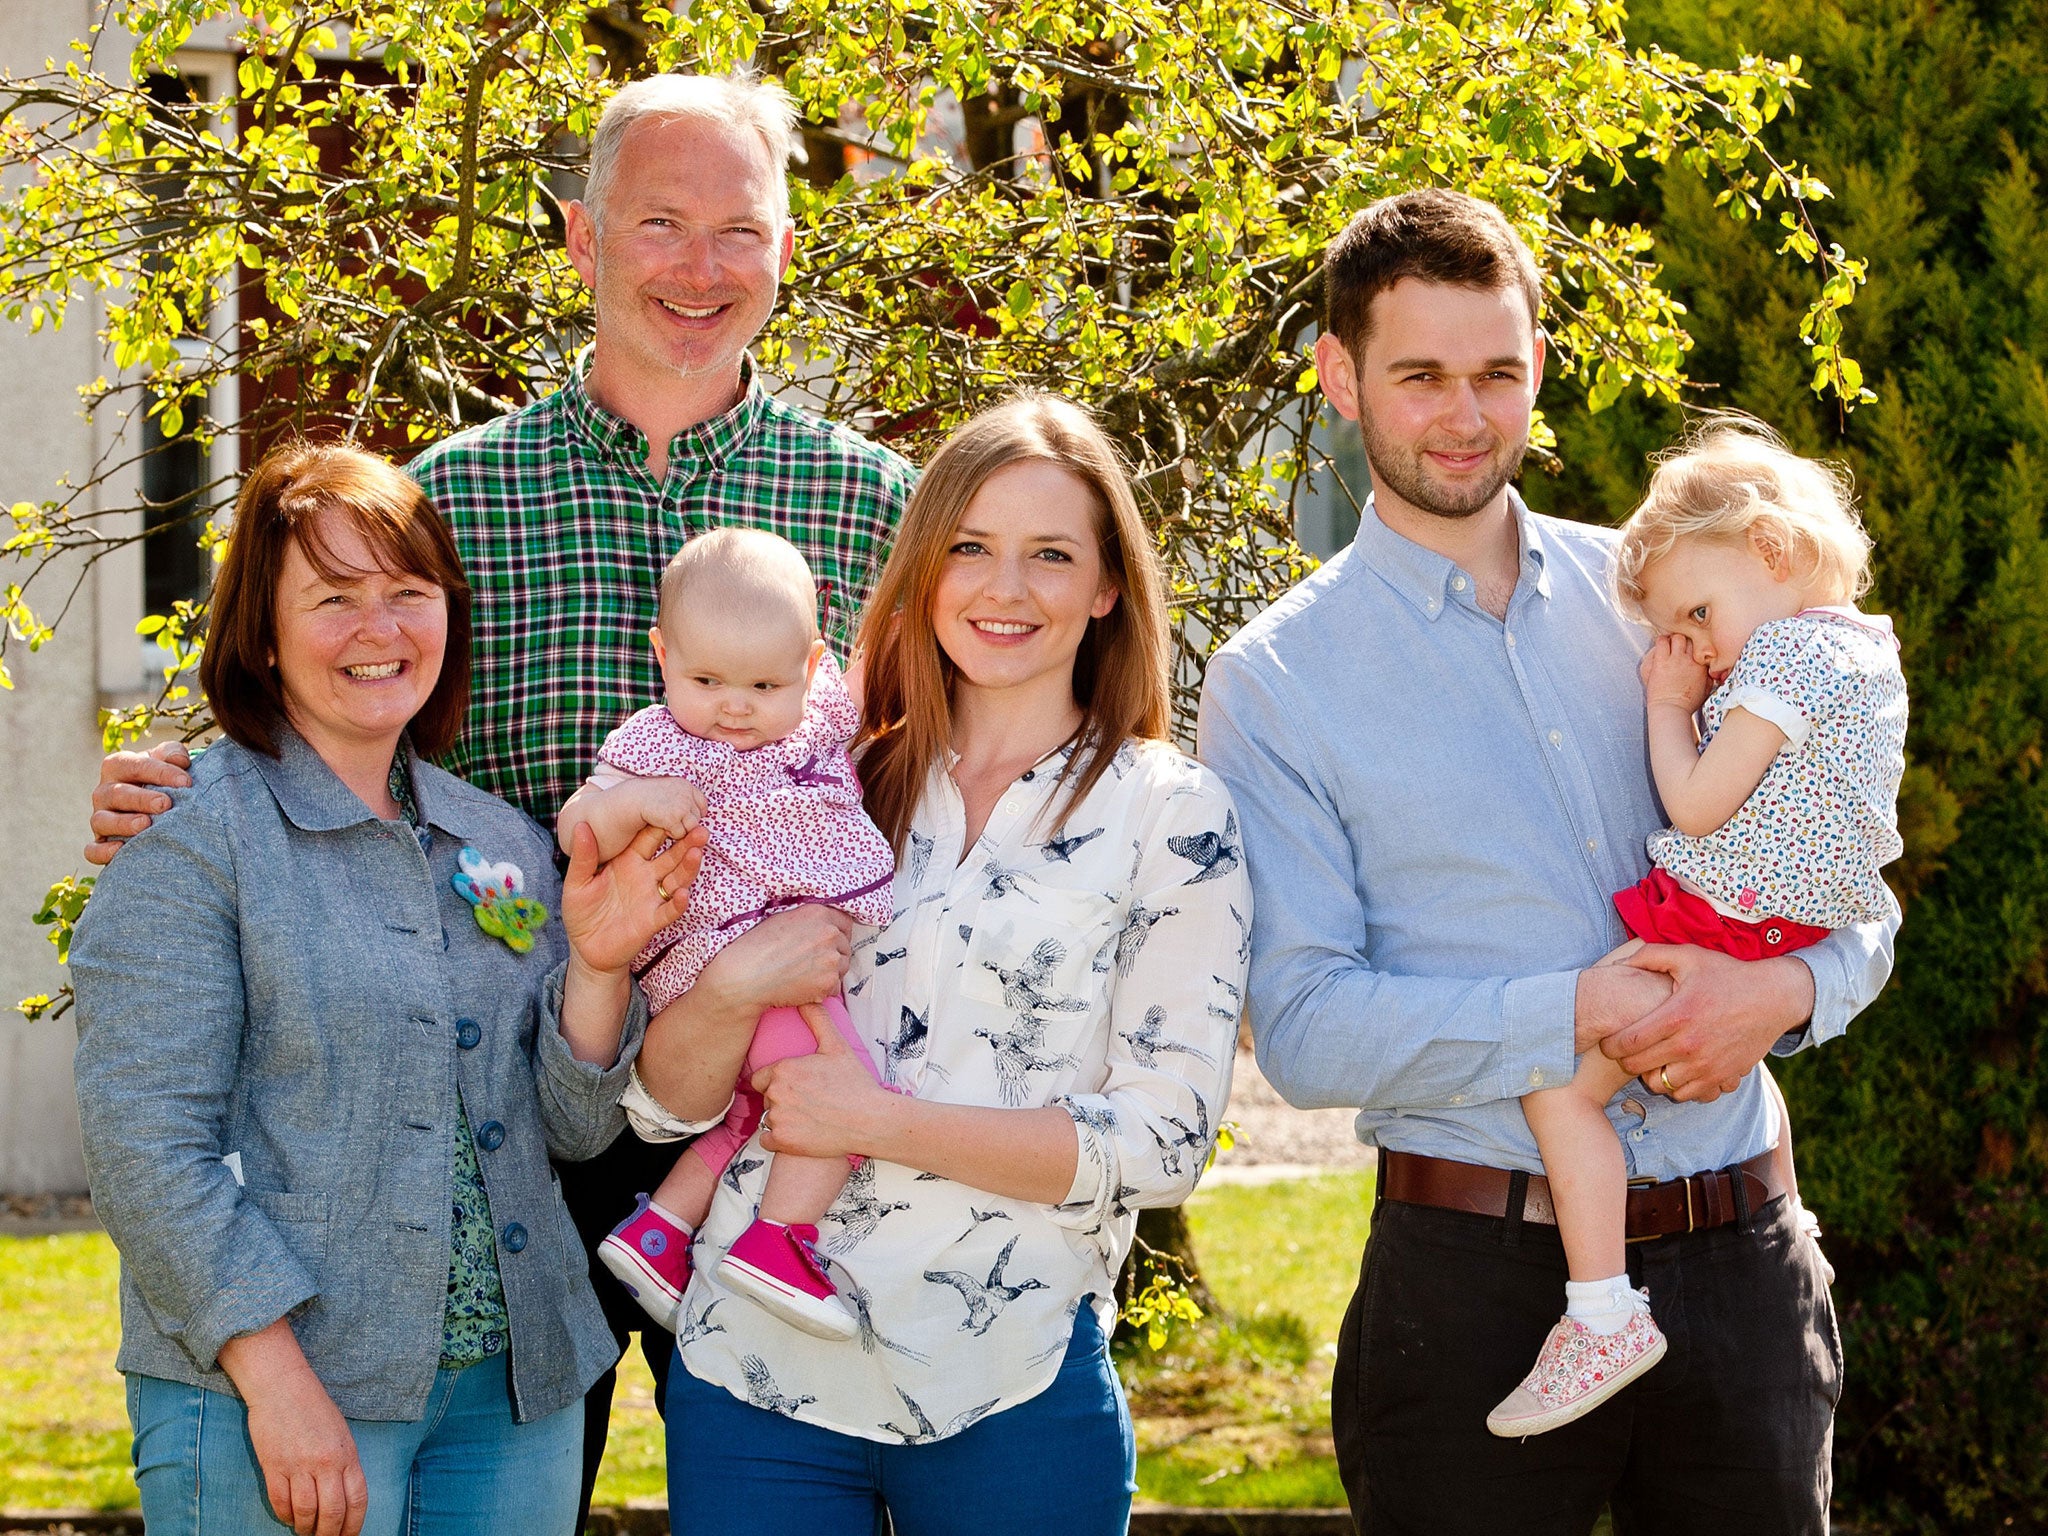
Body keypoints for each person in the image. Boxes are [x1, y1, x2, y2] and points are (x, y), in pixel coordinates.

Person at [83, 71, 914, 1517]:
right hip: (524, 1119)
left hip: (791, 1112)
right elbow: (332, 690)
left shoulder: (883, 509)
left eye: (741, 228)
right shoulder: (451, 498)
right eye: (660, 222)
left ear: (789, 247)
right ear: (583, 242)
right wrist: (167, 779)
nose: (701, 267)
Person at [1198, 189, 1899, 1533]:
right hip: (1473, 1293)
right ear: (1339, 378)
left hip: (1742, 1267)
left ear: (1539, 368)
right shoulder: (1278, 682)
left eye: (1498, 372)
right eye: (1420, 377)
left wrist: (1792, 993)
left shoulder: (1673, 601)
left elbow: (1838, 859)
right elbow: (1303, 1028)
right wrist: (1576, 1011)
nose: (1465, 414)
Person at [623, 394, 1248, 1535]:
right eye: (970, 548)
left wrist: (876, 1119)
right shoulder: (809, 773)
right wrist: (731, 986)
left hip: (1005, 1388)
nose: (1003, 589)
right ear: (922, 567)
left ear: (1105, 585)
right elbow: (665, 1108)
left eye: (1049, 555)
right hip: (753, 1387)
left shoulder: (1171, 814)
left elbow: (1159, 1145)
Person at [68, 442, 700, 1536]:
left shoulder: (499, 842)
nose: (380, 628)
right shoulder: (192, 836)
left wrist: (597, 964)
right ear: (262, 633)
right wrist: (277, 1384)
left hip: (514, 1397)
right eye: (333, 598)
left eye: (409, 594)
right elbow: (145, 1149)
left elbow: (574, 1129)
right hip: (281, 1390)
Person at [1487, 418, 1908, 1437]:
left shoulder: (1785, 661)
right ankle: (1792, 1230)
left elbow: (1693, 804)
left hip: (1719, 920)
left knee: (1557, 1094)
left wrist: (1669, 705)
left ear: (1769, 552)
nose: (1694, 646)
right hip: (1778, 928)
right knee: (1728, 1080)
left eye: (1696, 612)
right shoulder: (1865, 651)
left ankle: (1599, 1313)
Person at [558, 529, 896, 1339]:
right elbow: (576, 820)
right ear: (663, 655)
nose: (735, 706)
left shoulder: (816, 720)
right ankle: (779, 1246)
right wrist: (632, 805)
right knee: (838, 1097)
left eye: (763, 684)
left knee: (756, 1118)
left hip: (784, 957)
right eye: (706, 679)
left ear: (810, 668)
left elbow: (880, 661)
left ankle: (658, 1234)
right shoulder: (659, 745)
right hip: (719, 955)